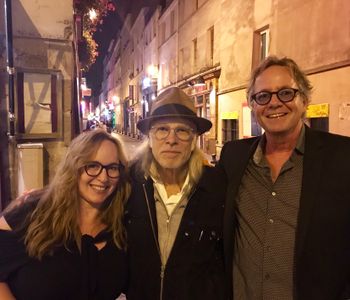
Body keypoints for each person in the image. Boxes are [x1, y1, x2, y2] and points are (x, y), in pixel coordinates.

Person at [218, 56, 350, 299]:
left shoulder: (342, 157)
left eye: (286, 93)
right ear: (253, 105)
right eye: (263, 96)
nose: (274, 103)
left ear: (304, 100)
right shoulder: (233, 157)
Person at [0, 129, 130, 300]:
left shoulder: (121, 229)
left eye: (112, 168)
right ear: (74, 167)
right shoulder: (34, 212)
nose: (103, 177)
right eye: (92, 166)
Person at [124, 87, 226, 299]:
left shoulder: (216, 186)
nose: (171, 139)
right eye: (162, 129)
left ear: (193, 140)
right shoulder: (130, 183)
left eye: (182, 130)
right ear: (150, 138)